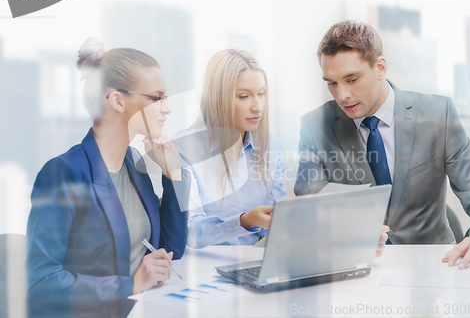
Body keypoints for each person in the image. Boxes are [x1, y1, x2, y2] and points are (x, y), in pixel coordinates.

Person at [294, 20, 470, 269]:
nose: (342, 95)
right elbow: (308, 201)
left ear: (380, 67)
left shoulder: (438, 115)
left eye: (352, 79)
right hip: (355, 268)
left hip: (432, 269)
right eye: (332, 83)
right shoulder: (315, 126)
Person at [26, 38, 190, 317]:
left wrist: (172, 174)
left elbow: (172, 250)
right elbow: (40, 281)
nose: (167, 107)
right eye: (156, 97)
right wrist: (131, 284)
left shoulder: (133, 166)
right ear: (117, 100)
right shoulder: (63, 173)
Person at [178, 49, 287, 248]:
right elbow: (190, 232)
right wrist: (244, 221)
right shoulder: (184, 150)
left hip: (256, 262)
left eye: (261, 94)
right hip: (206, 268)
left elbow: (280, 219)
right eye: (244, 96)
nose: (258, 107)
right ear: (218, 98)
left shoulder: (272, 147)